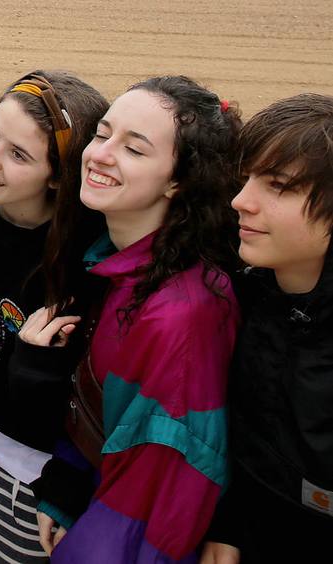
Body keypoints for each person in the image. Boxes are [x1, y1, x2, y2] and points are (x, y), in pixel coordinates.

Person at [19, 76, 242, 563]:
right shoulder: (119, 263)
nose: (100, 154)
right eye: (103, 134)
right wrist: (68, 485)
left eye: (135, 150)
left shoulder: (181, 318)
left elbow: (155, 505)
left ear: (180, 179)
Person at [0, 71, 108, 564]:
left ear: (59, 175)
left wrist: (35, 366)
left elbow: (94, 402)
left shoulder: (88, 260)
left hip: (33, 476)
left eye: (19, 154)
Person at [203, 94, 333, 561]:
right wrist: (230, 523)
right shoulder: (243, 291)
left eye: (278, 185)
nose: (242, 201)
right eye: (246, 179)